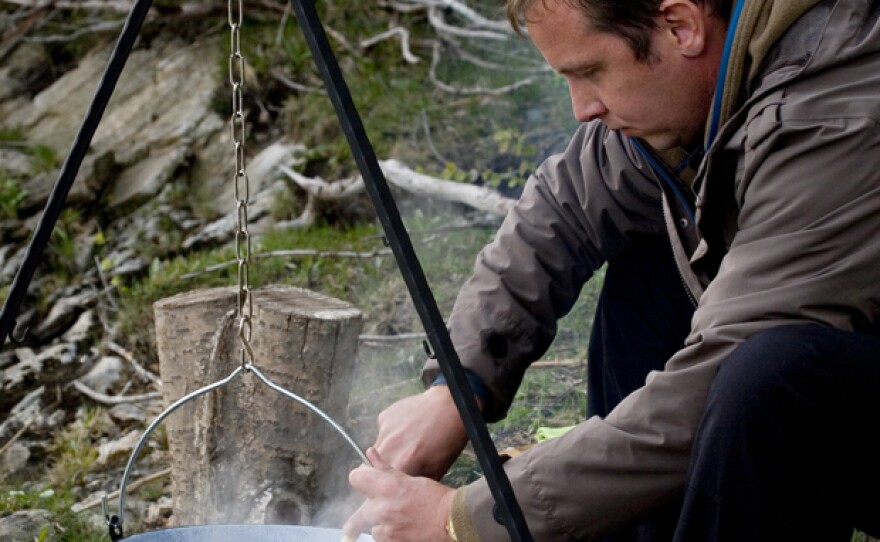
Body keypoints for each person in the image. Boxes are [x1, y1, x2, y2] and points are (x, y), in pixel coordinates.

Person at [342, 0, 880, 540]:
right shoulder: (712, 75)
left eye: (591, 72)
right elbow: (566, 207)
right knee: (650, 273)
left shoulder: (834, 109)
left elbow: (712, 382)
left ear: (682, 26)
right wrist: (458, 389)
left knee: (770, 374)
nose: (582, 109)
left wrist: (463, 520)